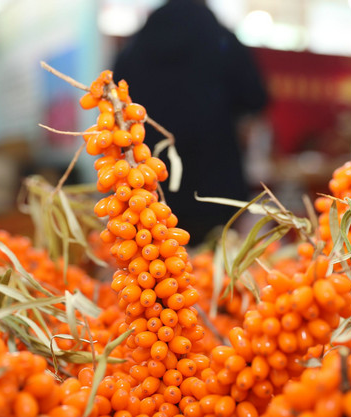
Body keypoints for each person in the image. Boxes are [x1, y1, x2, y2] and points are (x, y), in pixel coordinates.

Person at [113, 0, 269, 245]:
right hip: (216, 186)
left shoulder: (137, 44)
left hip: (149, 185)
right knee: (215, 265)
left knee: (154, 263)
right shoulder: (222, 39)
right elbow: (255, 97)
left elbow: (116, 104)